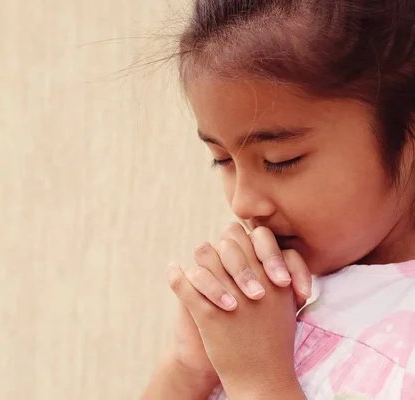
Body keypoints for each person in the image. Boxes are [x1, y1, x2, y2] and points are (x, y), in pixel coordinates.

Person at [142, 0, 415, 399]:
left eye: (279, 161)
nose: (242, 203)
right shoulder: (270, 296)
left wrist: (260, 380)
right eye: (223, 160)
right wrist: (188, 367)